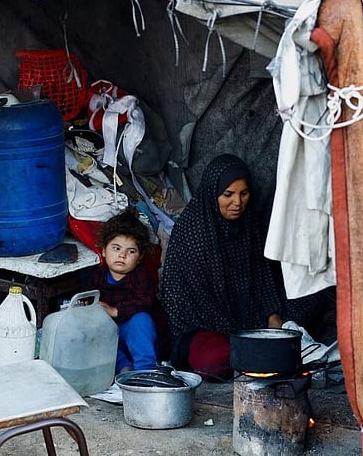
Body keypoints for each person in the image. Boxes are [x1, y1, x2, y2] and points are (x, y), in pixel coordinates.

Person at [159, 154, 285, 380]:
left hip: (245, 318)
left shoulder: (249, 225)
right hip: (202, 326)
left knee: (298, 317)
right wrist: (240, 335)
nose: (237, 203)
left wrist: (271, 315)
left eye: (243, 194)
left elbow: (263, 276)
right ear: (212, 193)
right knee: (216, 360)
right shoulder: (193, 232)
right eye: (228, 195)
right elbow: (192, 302)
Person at [83, 208, 159, 373]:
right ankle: (123, 366)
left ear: (139, 258)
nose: (122, 255)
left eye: (131, 251)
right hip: (109, 335)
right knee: (91, 327)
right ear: (104, 250)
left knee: (142, 320)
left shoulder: (141, 276)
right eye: (116, 248)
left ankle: (144, 371)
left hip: (132, 331)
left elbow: (146, 302)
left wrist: (116, 311)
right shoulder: (97, 276)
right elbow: (88, 300)